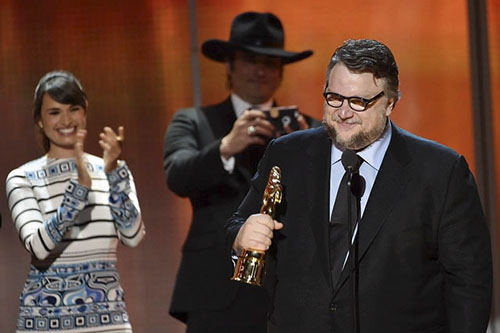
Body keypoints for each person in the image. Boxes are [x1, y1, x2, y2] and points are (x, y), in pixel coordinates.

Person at [226, 39, 493, 332]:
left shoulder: (440, 171)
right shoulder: (288, 155)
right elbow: (240, 223)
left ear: (390, 103)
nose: (343, 112)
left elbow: (469, 282)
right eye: (334, 98)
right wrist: (241, 235)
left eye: (359, 102)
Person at [163, 11, 319, 332]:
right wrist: (225, 147)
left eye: (271, 62)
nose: (260, 71)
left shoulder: (309, 132)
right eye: (250, 59)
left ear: (281, 72)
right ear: (230, 66)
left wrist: (308, 157)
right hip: (214, 288)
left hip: (289, 288)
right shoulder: (194, 122)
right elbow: (177, 176)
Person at [6, 71, 145, 332]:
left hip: (108, 320)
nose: (66, 120)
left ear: (85, 111)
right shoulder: (23, 178)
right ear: (39, 120)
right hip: (46, 321)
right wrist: (78, 191)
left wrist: (114, 172)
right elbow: (38, 246)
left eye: (73, 109)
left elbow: (133, 235)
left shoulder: (111, 168)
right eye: (54, 112)